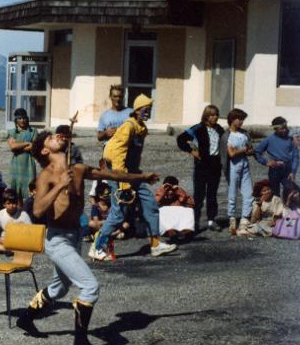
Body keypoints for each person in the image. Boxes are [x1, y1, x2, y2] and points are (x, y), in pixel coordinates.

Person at [14, 130, 159, 345]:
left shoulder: (78, 169)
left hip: (74, 237)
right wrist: (60, 185)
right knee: (90, 286)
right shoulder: (46, 176)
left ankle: (25, 319)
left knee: (59, 288)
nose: (57, 136)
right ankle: (80, 343)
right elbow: (38, 210)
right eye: (51, 137)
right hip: (56, 239)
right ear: (44, 150)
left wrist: (142, 177)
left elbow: (113, 175)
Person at [92, 94, 175, 260]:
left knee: (151, 205)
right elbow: (116, 154)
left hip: (133, 173)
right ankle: (97, 247)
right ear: (137, 110)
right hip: (120, 174)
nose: (147, 112)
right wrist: (123, 182)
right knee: (118, 214)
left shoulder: (141, 128)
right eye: (145, 109)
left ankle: (155, 244)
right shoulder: (128, 127)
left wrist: (140, 176)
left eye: (150, 109)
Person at [176, 105, 225, 231]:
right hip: (202, 165)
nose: (215, 117)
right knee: (199, 195)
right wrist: (191, 151)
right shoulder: (198, 128)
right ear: (206, 116)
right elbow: (181, 139)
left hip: (215, 165)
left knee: (212, 194)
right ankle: (194, 222)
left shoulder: (219, 129)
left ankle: (211, 220)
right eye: (212, 115)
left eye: (217, 114)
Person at [225, 108, 256, 235]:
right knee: (232, 193)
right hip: (233, 166)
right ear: (232, 120)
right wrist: (243, 150)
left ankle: (244, 219)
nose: (242, 122)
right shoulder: (227, 135)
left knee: (249, 193)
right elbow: (231, 153)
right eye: (240, 119)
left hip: (244, 164)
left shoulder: (244, 134)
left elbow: (250, 150)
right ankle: (232, 218)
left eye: (243, 119)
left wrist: (247, 151)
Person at [255, 116, 300, 199]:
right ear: (275, 129)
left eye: (285, 127)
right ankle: (276, 211)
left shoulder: (291, 139)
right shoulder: (269, 140)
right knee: (275, 195)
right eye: (282, 128)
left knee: (290, 192)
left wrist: (293, 171)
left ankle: (288, 211)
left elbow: (296, 157)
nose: (285, 130)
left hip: (287, 170)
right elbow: (257, 152)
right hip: (274, 170)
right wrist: (266, 162)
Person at [0, 189, 32, 254]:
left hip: (19, 241)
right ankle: (7, 250)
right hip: (4, 241)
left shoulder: (23, 214)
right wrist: (3, 242)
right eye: (8, 203)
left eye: (14, 203)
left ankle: (14, 249)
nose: (11, 206)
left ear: (17, 203)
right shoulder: (0, 214)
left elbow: (31, 232)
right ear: (4, 204)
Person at [6, 108, 37, 200]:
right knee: (16, 190)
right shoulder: (12, 132)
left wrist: (18, 145)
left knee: (30, 188)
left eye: (24, 118)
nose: (22, 120)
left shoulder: (33, 131)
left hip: (29, 164)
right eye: (19, 118)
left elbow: (34, 147)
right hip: (16, 164)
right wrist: (27, 143)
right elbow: (12, 147)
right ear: (16, 120)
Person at [154, 176, 196, 243]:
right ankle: (172, 235)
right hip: (167, 223)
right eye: (168, 189)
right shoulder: (162, 195)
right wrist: (162, 191)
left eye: (172, 189)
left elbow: (191, 204)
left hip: (178, 221)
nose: (170, 191)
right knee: (162, 211)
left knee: (188, 210)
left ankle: (186, 232)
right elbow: (154, 204)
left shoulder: (179, 194)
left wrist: (179, 191)